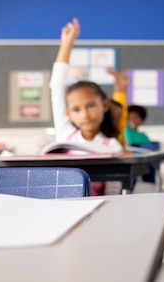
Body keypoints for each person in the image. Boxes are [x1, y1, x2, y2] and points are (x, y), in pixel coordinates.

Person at [50, 18, 123, 195]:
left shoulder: (112, 146)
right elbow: (57, 86)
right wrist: (67, 43)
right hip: (63, 207)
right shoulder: (65, 134)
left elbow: (115, 191)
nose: (84, 114)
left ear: (104, 105)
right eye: (76, 109)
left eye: (90, 105)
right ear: (68, 113)